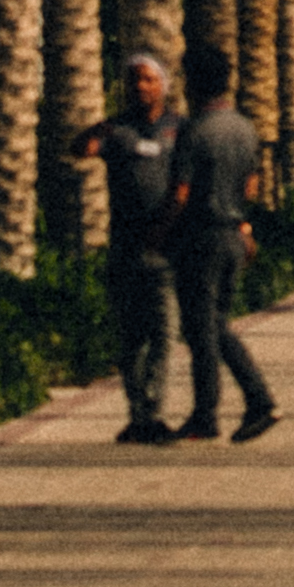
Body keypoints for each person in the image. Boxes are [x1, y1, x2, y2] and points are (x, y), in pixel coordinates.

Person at [162, 44, 282, 444]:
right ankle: (219, 409)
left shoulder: (194, 132)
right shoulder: (244, 127)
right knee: (214, 324)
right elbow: (251, 184)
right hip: (233, 234)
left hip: (202, 237)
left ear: (193, 83)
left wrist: (161, 232)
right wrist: (243, 225)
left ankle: (243, 403)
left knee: (204, 328)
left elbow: (181, 193)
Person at [88, 58, 189, 441]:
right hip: (126, 247)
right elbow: (81, 147)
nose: (141, 87)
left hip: (167, 247)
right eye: (134, 80)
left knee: (165, 332)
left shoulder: (178, 129)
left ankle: (153, 410)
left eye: (149, 80)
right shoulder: (118, 131)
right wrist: (101, 128)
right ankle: (138, 414)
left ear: (162, 85)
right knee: (131, 337)